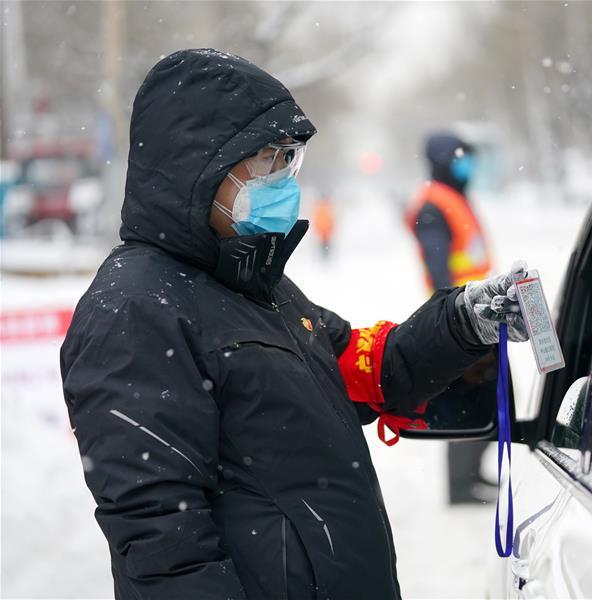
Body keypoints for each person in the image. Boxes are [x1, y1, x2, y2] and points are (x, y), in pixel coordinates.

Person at [60, 49, 530, 600]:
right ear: (200, 168)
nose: (283, 179)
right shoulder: (135, 309)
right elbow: (163, 544)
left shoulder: (254, 284)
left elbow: (366, 368)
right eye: (267, 162)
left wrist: (461, 322)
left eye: (290, 160)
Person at [406, 132, 494, 504]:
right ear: (443, 160)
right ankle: (461, 485)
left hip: (479, 314)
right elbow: (439, 269)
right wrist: (455, 321)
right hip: (462, 322)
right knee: (469, 400)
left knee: (490, 397)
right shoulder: (433, 206)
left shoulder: (453, 197)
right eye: (460, 158)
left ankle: (472, 475)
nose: (466, 164)